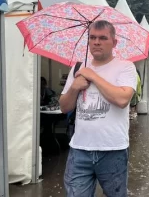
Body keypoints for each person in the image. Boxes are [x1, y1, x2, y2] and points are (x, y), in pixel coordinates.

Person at [59, 20, 137, 197]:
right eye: (92, 37)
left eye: (103, 38)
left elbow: (122, 99)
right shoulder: (78, 68)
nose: (96, 42)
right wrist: (74, 87)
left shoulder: (125, 67)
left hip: (113, 150)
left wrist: (92, 75)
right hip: (79, 150)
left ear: (114, 42)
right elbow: (64, 107)